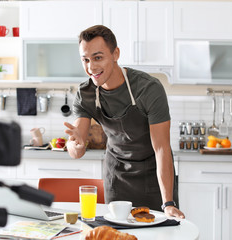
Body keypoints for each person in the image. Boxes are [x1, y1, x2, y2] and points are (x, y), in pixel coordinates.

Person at [64, 25, 185, 219]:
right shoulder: (85, 94)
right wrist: (75, 144)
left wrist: (168, 203)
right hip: (117, 175)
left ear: (115, 54)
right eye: (85, 60)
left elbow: (162, 148)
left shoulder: (148, 89)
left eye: (98, 57)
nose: (91, 67)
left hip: (153, 176)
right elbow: (76, 149)